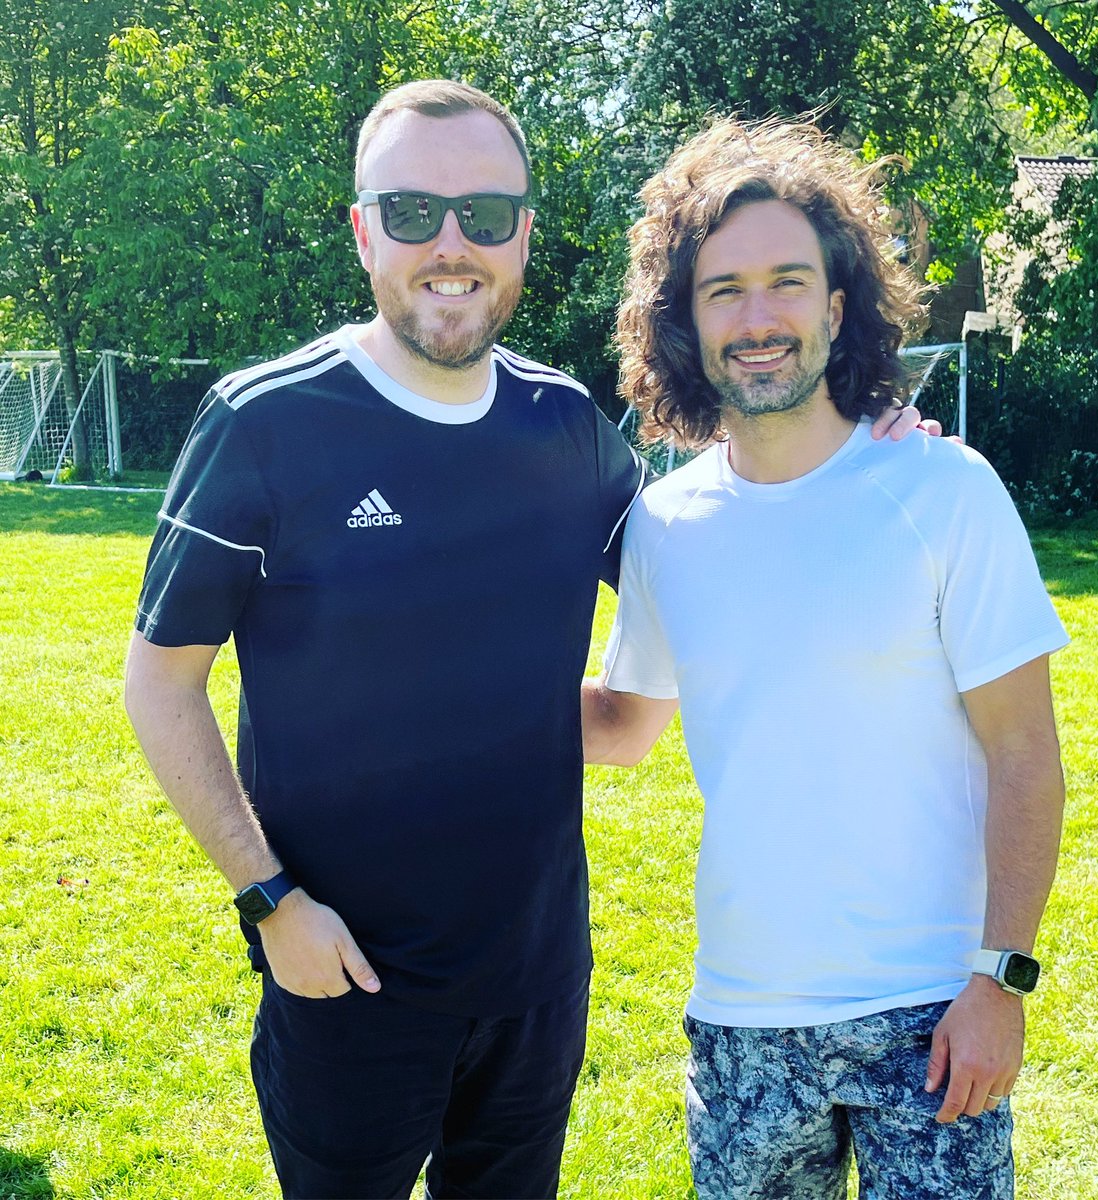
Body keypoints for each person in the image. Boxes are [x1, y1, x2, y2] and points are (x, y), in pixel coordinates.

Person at [124, 82, 926, 1200]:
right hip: (339, 978)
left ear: (524, 237)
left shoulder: (565, 432)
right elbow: (159, 685)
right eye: (411, 213)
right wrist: (270, 902)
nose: (450, 246)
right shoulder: (264, 424)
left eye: (485, 215)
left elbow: (714, 542)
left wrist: (864, 456)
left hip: (536, 986)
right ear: (363, 230)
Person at [582, 116, 1068, 1200]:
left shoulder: (946, 492)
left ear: (837, 304)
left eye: (787, 283)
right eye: (724, 291)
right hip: (746, 1018)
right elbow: (623, 726)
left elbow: (1027, 753)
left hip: (932, 1015)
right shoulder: (664, 523)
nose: (759, 320)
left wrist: (1001, 983)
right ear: (684, 321)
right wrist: (444, 683)